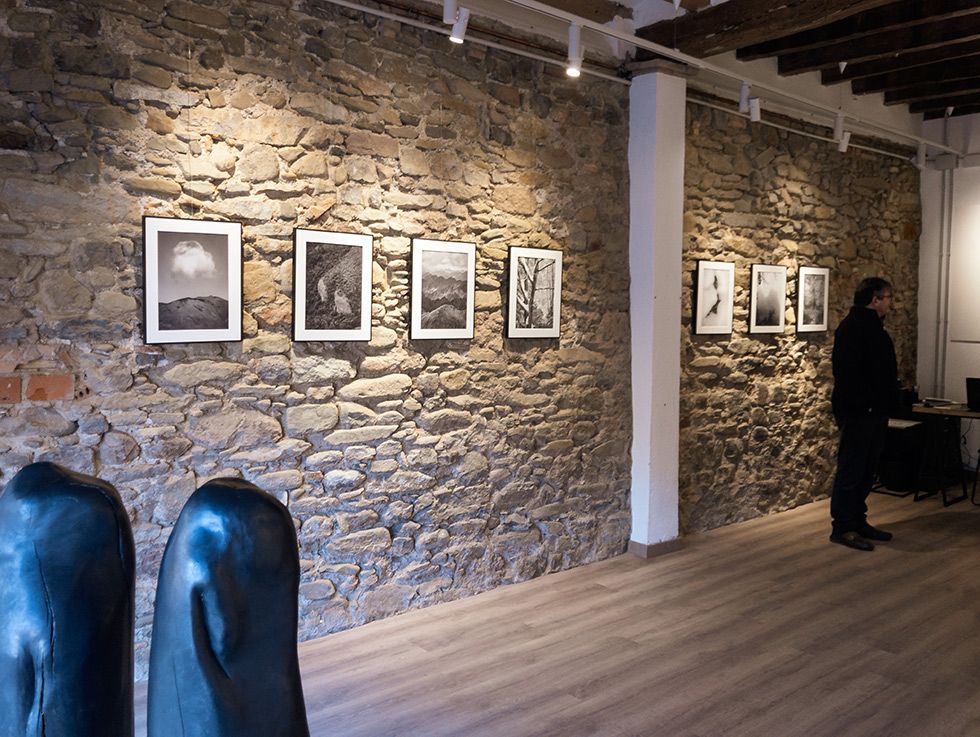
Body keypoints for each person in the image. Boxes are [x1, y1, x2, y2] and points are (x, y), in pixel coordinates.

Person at [829, 276, 898, 551]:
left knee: (867, 468)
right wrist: (866, 404)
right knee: (852, 468)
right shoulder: (853, 328)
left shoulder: (872, 328)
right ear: (875, 300)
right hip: (859, 411)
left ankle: (858, 520)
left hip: (873, 410)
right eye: (888, 298)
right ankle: (843, 527)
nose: (890, 303)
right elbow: (847, 373)